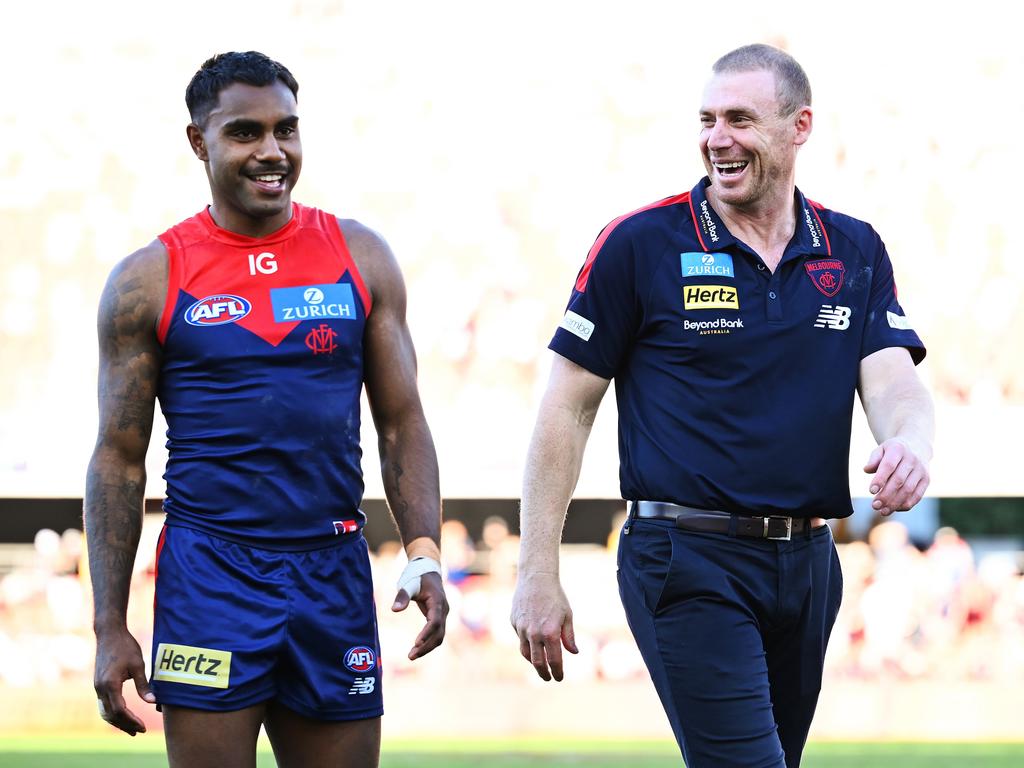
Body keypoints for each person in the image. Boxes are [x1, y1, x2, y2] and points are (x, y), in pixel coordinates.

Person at [510, 43, 933, 768]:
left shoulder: (854, 248)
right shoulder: (639, 243)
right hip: (687, 557)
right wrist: (535, 570)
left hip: (809, 562)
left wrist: (910, 443)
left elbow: (894, 381)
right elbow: (566, 407)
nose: (717, 138)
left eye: (740, 118)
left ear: (798, 127)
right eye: (707, 120)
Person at [85, 51, 448, 768]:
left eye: (287, 129)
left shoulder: (360, 256)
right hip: (208, 579)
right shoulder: (148, 279)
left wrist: (424, 554)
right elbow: (118, 457)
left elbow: (402, 420)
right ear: (200, 142)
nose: (272, 151)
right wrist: (108, 624)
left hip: (332, 572)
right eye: (246, 132)